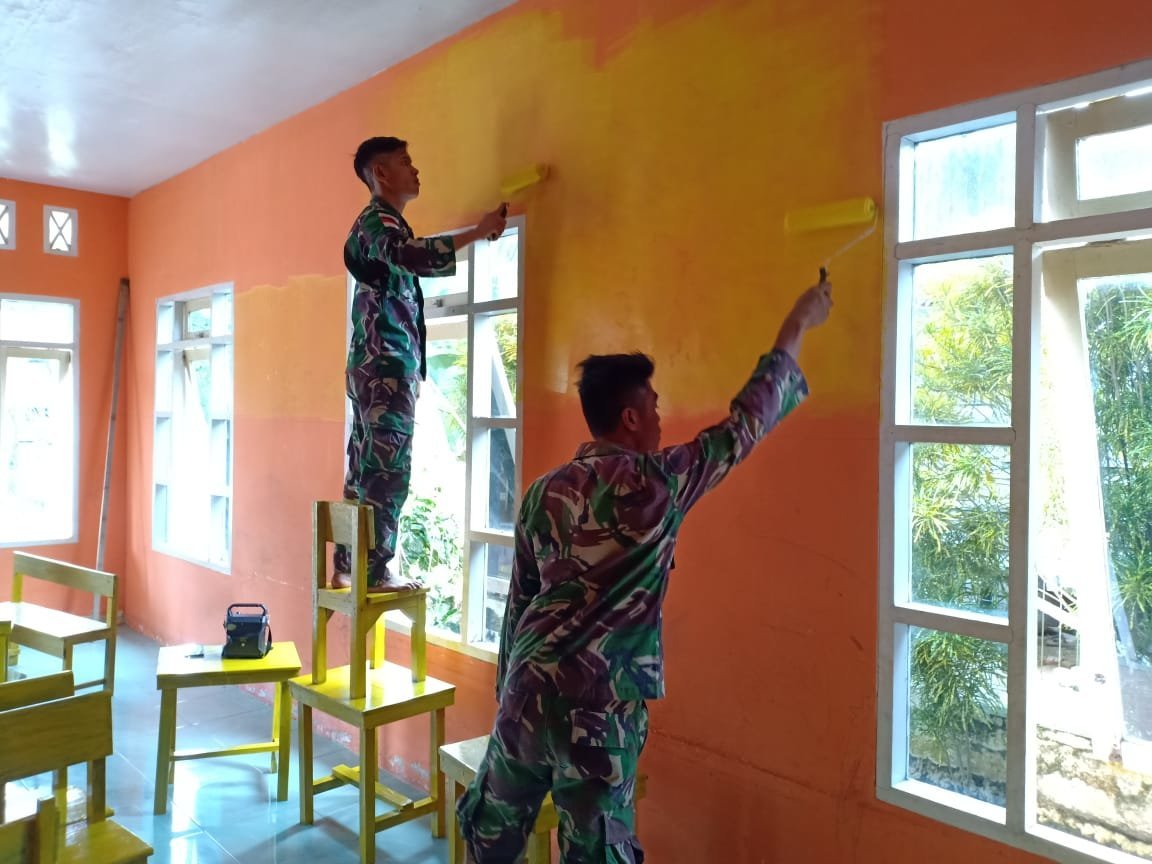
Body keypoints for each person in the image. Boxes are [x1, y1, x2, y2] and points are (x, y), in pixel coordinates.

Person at [457, 280, 834, 863]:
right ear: (630, 417)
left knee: (491, 838)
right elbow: (744, 425)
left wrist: (508, 690)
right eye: (655, 406)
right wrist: (797, 323)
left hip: (526, 694)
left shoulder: (543, 492)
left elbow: (519, 603)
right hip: (599, 712)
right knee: (597, 852)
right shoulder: (657, 484)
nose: (661, 417)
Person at [336, 136, 507, 592]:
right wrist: (477, 231)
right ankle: (372, 571)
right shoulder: (378, 223)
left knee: (365, 467)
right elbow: (410, 256)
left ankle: (349, 563)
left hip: (376, 366)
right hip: (386, 368)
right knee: (387, 471)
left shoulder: (379, 225)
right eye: (405, 162)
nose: (415, 170)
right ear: (381, 174)